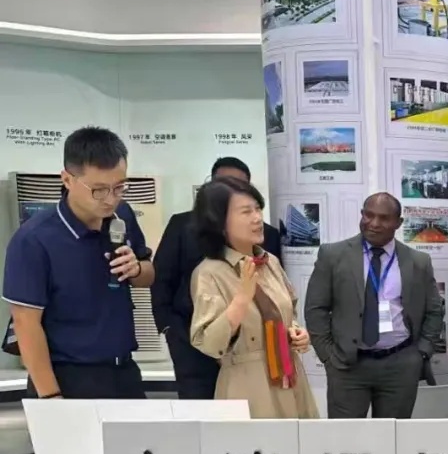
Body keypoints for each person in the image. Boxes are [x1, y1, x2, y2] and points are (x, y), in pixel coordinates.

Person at [2, 127, 154, 399]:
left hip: (124, 372)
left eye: (119, 187)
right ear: (67, 180)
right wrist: (51, 398)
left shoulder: (123, 215)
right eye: (99, 190)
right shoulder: (34, 240)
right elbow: (26, 324)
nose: (111, 199)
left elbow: (149, 275)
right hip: (68, 377)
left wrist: (137, 269)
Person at [152, 157, 281, 400]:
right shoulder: (183, 226)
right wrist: (168, 327)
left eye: (239, 186)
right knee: (201, 408)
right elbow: (162, 278)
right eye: (223, 184)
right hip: (191, 339)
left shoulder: (267, 237)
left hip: (251, 349)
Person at [304, 192, 443, 419]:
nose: (374, 223)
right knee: (346, 437)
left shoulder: (418, 261)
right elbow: (315, 308)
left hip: (400, 365)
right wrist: (328, 356)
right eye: (368, 215)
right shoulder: (333, 255)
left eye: (384, 218)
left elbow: (434, 310)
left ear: (398, 223)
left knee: (392, 436)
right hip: (348, 365)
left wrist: (422, 353)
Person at [189, 178, 317, 419]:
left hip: (290, 377)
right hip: (247, 383)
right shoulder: (209, 273)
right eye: (246, 212)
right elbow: (209, 344)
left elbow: (287, 311)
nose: (257, 218)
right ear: (219, 221)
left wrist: (296, 332)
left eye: (258, 209)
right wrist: (241, 299)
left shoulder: (270, 262)